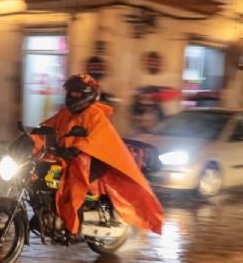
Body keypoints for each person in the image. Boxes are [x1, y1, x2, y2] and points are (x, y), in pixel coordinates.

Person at [29, 74, 164, 236]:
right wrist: (29, 140)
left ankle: (72, 226)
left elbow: (95, 139)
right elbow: (46, 128)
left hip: (93, 163)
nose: (73, 96)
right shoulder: (65, 113)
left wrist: (76, 148)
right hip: (69, 159)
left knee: (74, 184)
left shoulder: (95, 115)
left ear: (87, 95)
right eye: (71, 92)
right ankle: (46, 213)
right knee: (39, 176)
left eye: (77, 93)